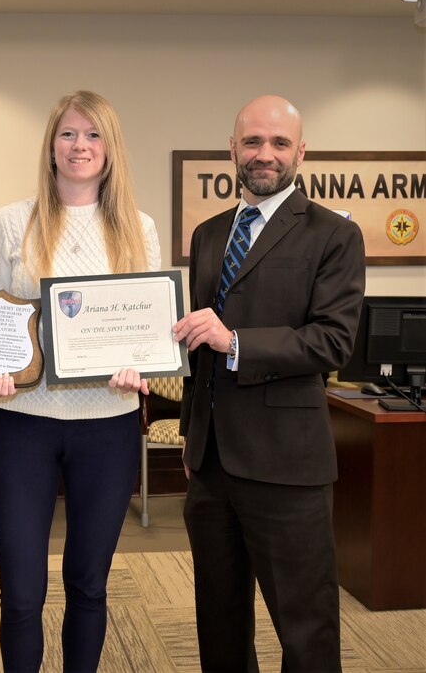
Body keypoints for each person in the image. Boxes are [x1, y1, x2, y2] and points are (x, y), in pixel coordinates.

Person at [0, 90, 161, 672]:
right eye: (69, 134)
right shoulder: (11, 220)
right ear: (51, 146)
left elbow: (146, 324)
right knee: (21, 595)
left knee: (88, 584)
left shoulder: (138, 228)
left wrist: (140, 363)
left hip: (110, 426)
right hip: (23, 425)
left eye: (94, 135)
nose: (81, 146)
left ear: (111, 149)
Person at [173, 95, 365, 671]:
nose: (265, 154)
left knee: (304, 627)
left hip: (288, 466)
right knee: (220, 620)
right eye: (252, 141)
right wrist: (190, 433)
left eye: (279, 143)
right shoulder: (209, 235)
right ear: (232, 148)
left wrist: (237, 342)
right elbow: (196, 348)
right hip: (210, 465)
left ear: (301, 153)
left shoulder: (333, 235)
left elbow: (333, 341)